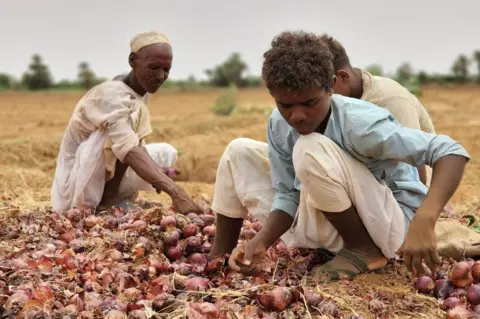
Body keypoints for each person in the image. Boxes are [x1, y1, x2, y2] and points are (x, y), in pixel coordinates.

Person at [208, 31, 469, 282]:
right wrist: (260, 241)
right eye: (285, 105)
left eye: (310, 103)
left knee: (308, 148)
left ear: (331, 86)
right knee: (238, 151)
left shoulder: (360, 123)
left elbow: (451, 152)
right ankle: (218, 257)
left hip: (389, 225)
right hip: (330, 224)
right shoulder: (279, 124)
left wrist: (424, 220)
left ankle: (363, 250)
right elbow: (287, 193)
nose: (297, 116)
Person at [51, 30, 202, 214]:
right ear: (132, 61)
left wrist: (159, 172)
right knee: (118, 140)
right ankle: (107, 200)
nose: (161, 76)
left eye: (166, 70)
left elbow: (134, 143)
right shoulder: (111, 96)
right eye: (154, 67)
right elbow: (128, 150)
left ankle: (116, 195)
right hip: (77, 180)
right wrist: (176, 192)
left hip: (105, 167)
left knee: (165, 152)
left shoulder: (139, 90)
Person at [319, 34, 435, 187]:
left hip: (405, 183)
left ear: (342, 77)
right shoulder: (336, 102)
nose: (322, 97)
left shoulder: (390, 99)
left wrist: (427, 205)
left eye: (325, 89)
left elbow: (414, 165)